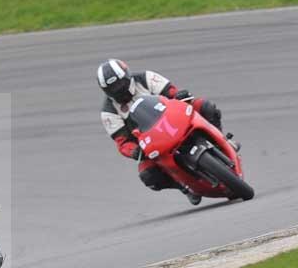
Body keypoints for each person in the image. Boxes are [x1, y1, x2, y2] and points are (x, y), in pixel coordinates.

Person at [97, 58, 236, 205]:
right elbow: (122, 142)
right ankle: (184, 187)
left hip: (174, 119)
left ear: (127, 77)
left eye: (120, 84)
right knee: (148, 175)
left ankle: (223, 141)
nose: (118, 90)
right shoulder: (108, 113)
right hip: (150, 142)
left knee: (205, 106)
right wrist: (134, 151)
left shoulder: (146, 78)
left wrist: (180, 96)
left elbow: (172, 93)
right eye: (112, 89)